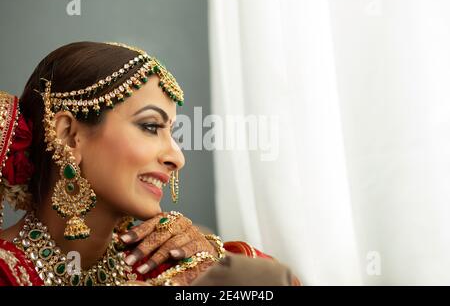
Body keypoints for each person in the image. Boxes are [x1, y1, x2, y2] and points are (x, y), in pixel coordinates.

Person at [0, 41, 299, 286]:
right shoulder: (7, 271)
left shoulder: (166, 264)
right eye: (151, 126)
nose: (177, 157)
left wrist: (214, 259)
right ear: (69, 135)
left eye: (172, 132)